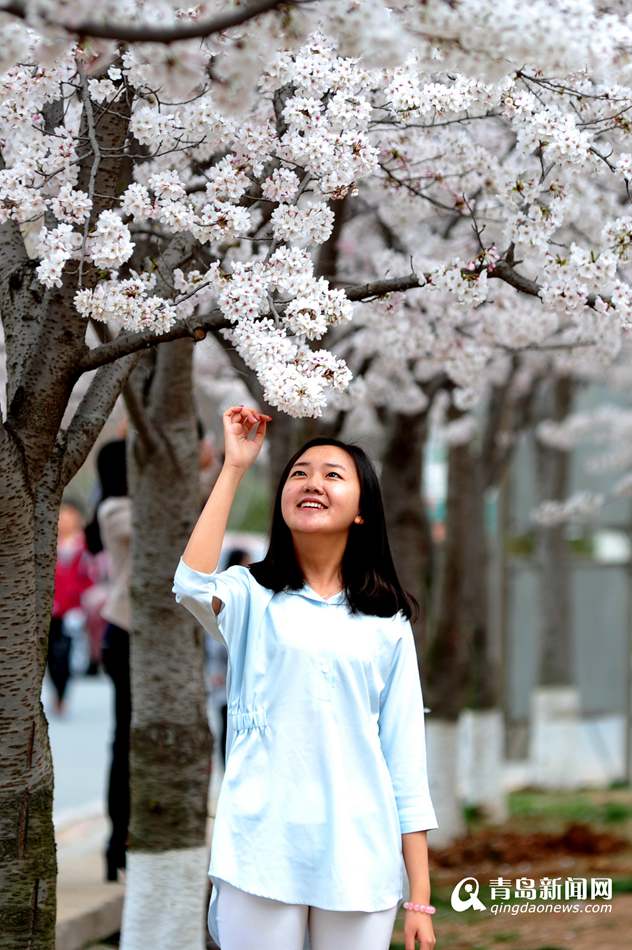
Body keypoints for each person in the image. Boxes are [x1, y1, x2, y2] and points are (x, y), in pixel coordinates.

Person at [172, 406, 439, 950]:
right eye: (299, 473)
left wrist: (420, 898)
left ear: (362, 510)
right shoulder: (251, 595)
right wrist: (234, 467)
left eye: (333, 475)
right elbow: (191, 584)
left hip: (359, 859)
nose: (312, 483)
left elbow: (406, 764)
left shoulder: (387, 623)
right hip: (260, 850)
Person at [94, 438, 132, 883]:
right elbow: (165, 520)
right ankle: (115, 842)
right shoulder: (115, 511)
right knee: (123, 741)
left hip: (147, 633)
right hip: (125, 632)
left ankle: (124, 841)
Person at [47, 500, 95, 715]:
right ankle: (55, 691)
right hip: (50, 609)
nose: (64, 519)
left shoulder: (83, 547)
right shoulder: (48, 545)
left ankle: (62, 694)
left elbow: (89, 578)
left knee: (65, 653)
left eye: (68, 515)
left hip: (73, 610)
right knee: (49, 653)